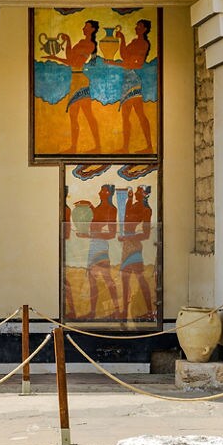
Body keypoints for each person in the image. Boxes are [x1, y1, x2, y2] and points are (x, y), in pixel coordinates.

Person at [56, 19, 102, 154]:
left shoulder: (90, 45)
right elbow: (70, 56)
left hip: (81, 81)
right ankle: (74, 147)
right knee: (73, 115)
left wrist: (56, 58)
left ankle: (98, 147)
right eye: (84, 26)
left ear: (92, 29)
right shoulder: (82, 43)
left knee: (88, 115)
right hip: (74, 80)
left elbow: (72, 61)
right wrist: (68, 40)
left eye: (86, 27)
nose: (84, 28)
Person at [113, 19, 153, 153]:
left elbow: (138, 64)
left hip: (134, 80)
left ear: (145, 29)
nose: (136, 28)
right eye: (136, 25)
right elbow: (124, 55)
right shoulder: (135, 42)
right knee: (125, 115)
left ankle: (149, 146)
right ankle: (125, 147)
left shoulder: (143, 44)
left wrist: (118, 64)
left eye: (139, 26)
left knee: (140, 114)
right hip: (126, 79)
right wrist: (122, 39)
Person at [85, 184, 121, 319]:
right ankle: (93, 312)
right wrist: (90, 207)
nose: (100, 192)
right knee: (92, 280)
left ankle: (117, 311)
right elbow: (95, 225)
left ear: (108, 193)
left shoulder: (112, 209)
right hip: (93, 245)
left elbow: (111, 233)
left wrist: (90, 235)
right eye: (100, 189)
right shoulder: (99, 208)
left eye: (103, 190)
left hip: (100, 246)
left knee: (107, 279)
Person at [119, 185, 155, 319]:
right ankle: (124, 311)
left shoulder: (146, 210)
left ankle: (150, 312)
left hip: (133, 245)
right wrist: (128, 199)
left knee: (139, 278)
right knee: (125, 278)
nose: (137, 193)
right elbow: (126, 219)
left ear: (145, 194)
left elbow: (145, 234)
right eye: (137, 190)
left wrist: (127, 237)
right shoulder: (133, 205)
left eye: (140, 191)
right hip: (127, 245)